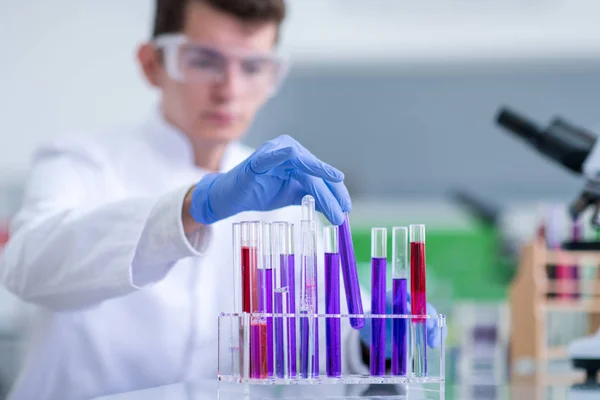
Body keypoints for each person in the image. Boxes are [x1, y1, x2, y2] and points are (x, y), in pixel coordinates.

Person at [0, 1, 441, 399]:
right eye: (204, 60)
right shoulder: (80, 162)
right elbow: (26, 266)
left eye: (253, 66)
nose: (229, 88)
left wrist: (370, 344)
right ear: (152, 63)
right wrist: (195, 206)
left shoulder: (284, 192)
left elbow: (319, 353)